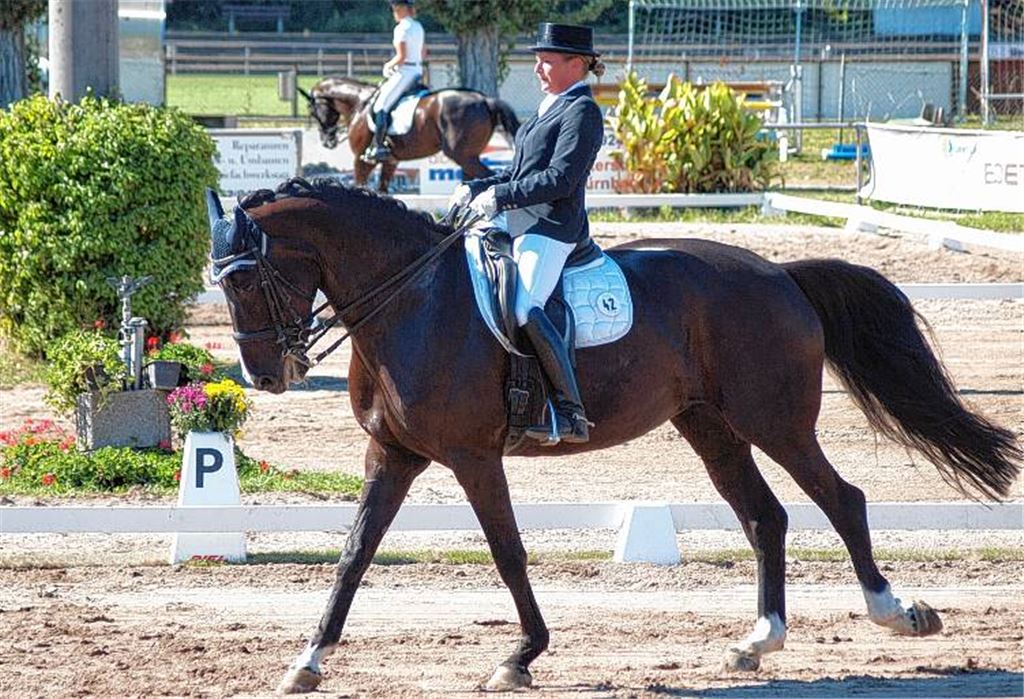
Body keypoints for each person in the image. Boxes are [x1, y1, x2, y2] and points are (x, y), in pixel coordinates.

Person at [451, 23, 607, 446]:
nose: (537, 68)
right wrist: (479, 186)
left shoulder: (582, 112)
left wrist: (501, 197)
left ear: (576, 64)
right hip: (520, 221)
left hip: (553, 228)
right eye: (537, 59)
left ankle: (569, 409)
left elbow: (560, 179)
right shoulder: (550, 104)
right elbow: (523, 172)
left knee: (524, 306)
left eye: (546, 61)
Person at [366, 0, 426, 163]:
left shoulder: (401, 28)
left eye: (394, 9)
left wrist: (388, 65)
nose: (393, 13)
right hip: (417, 70)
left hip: (405, 72)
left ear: (400, 9)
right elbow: (424, 53)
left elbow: (401, 56)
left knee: (380, 105)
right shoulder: (418, 26)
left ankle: (378, 147)